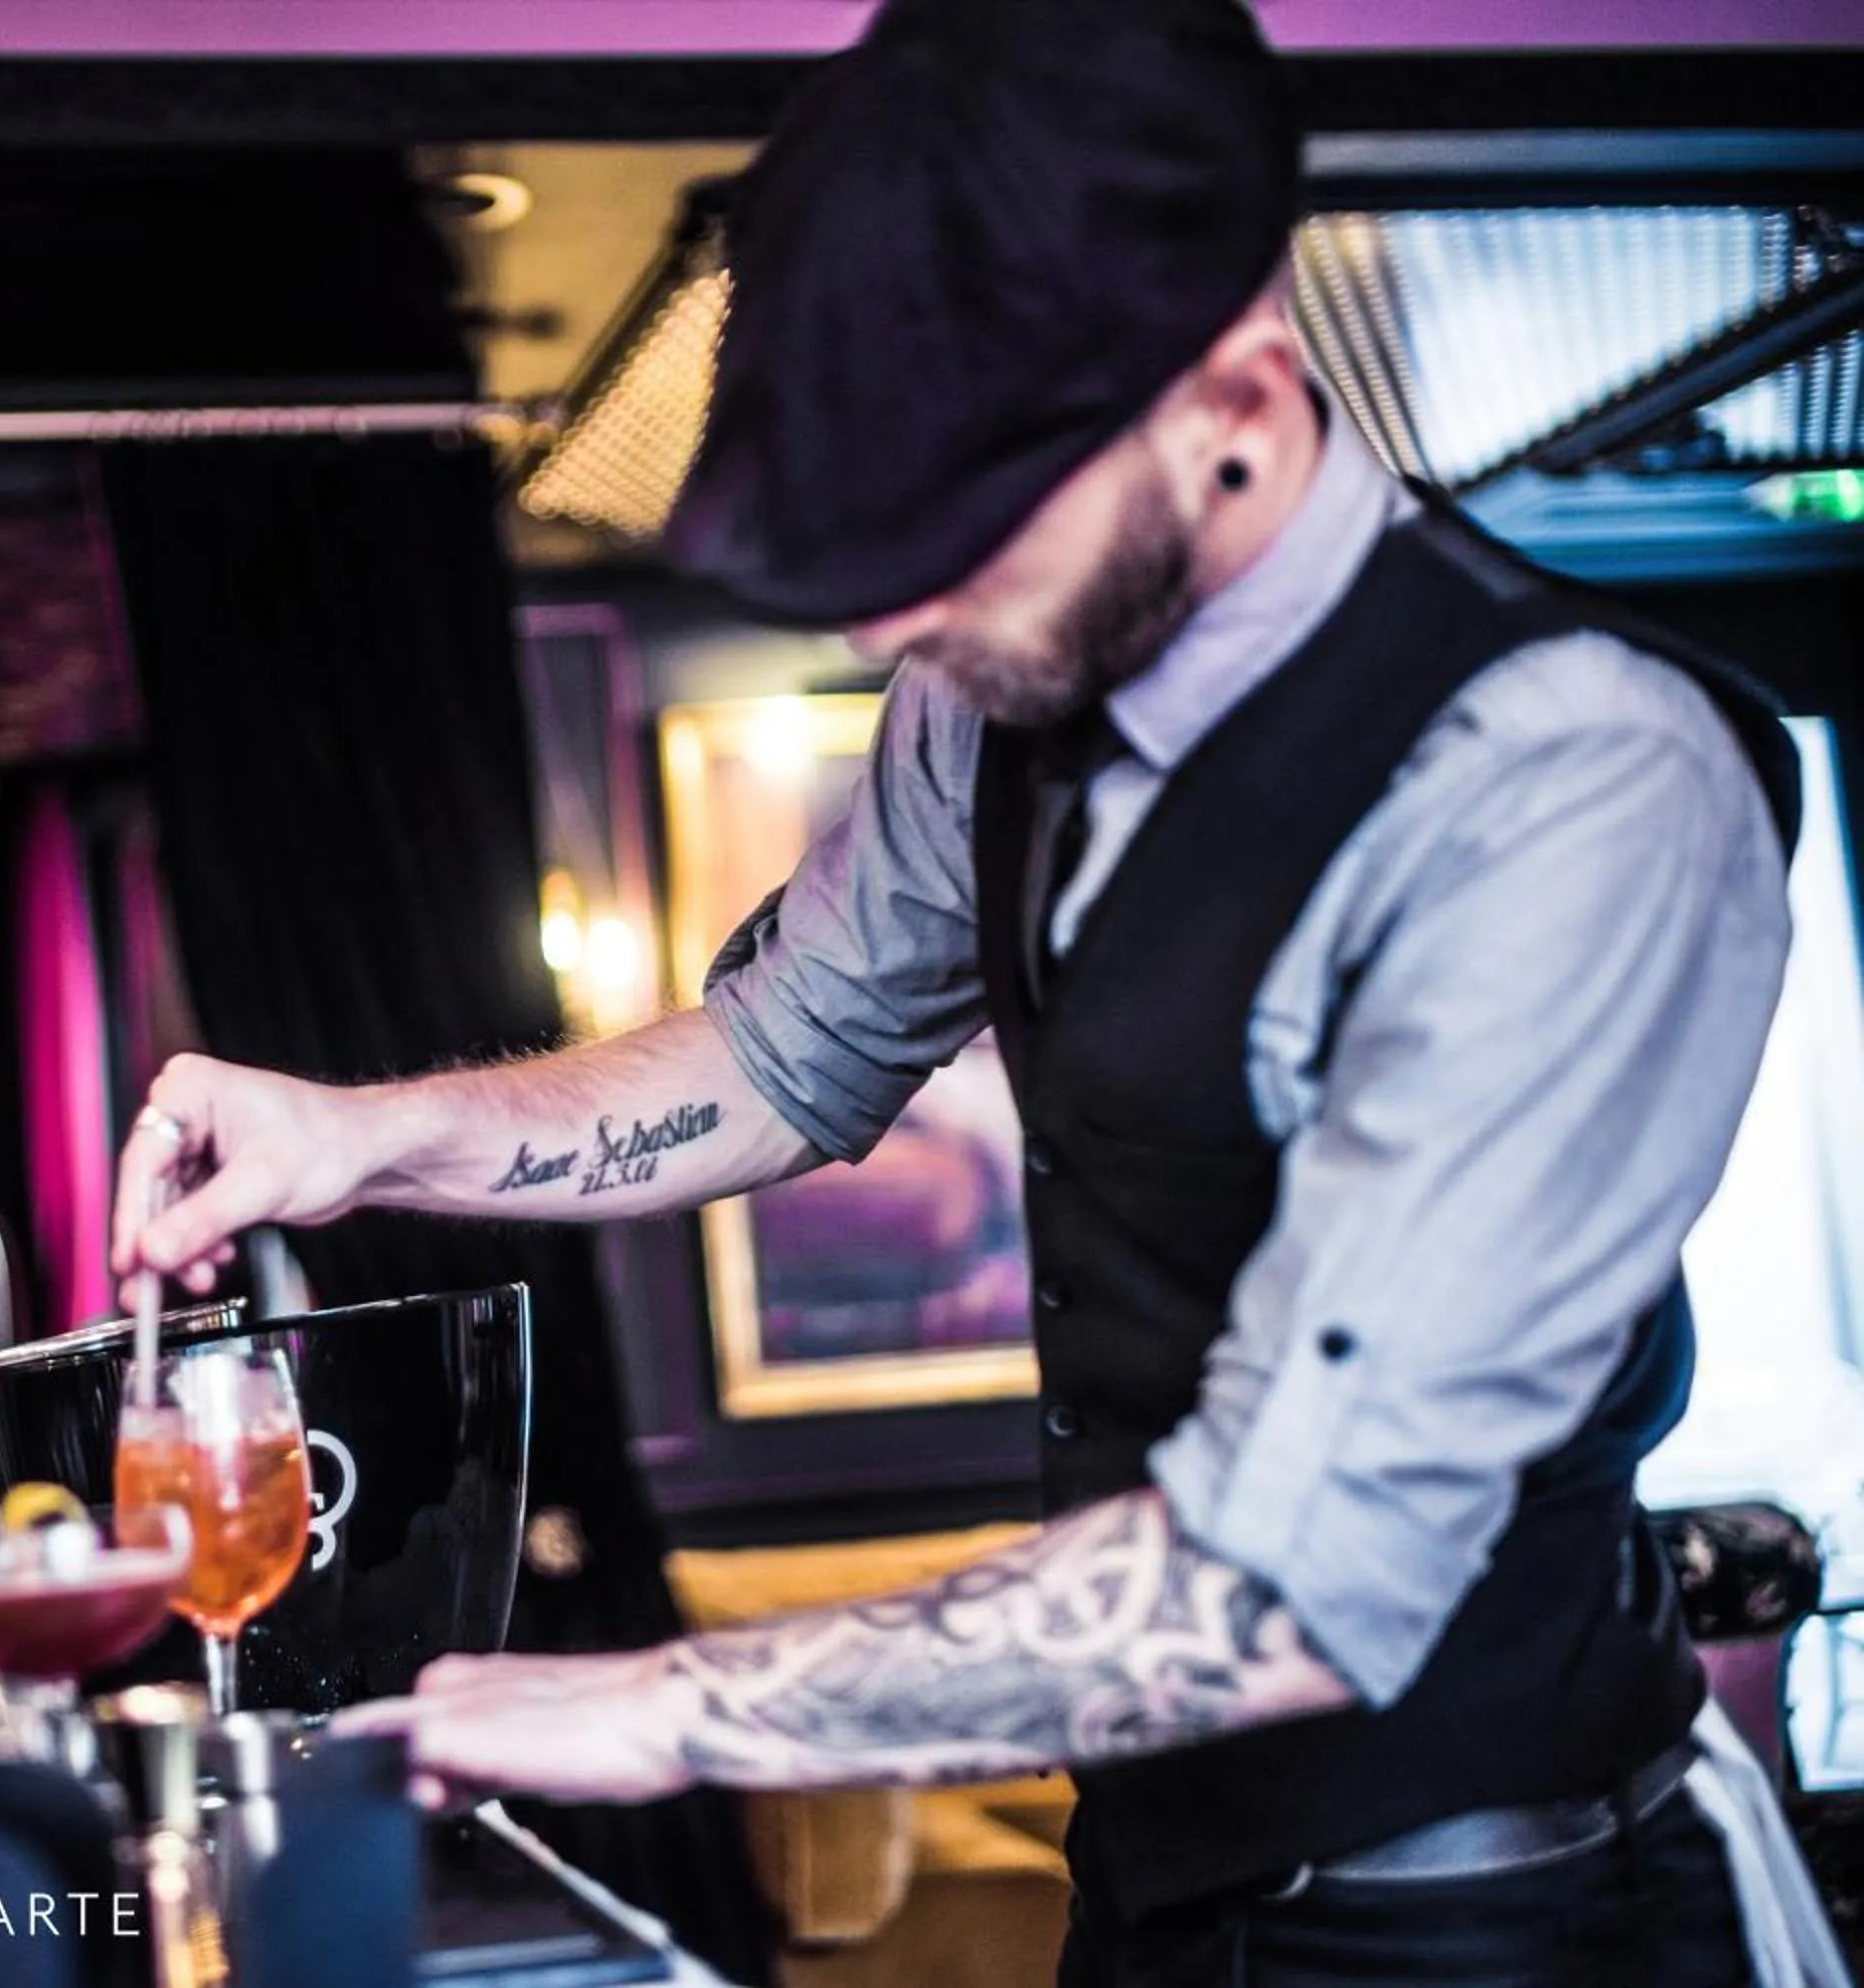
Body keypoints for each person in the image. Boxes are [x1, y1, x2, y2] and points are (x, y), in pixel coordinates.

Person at [107, 1, 1857, 1982]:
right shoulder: (989, 679)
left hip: (1498, 1907)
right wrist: (362, 1139)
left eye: (948, 532)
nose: (884, 616)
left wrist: (670, 1706)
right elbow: (788, 1051)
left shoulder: (1572, 787)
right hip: (1154, 1875)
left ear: (1237, 393)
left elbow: (1292, 1575)